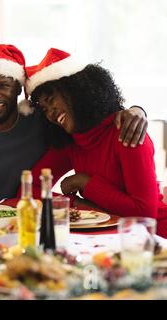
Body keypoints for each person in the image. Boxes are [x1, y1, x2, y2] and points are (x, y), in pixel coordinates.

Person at [0, 44, 148, 202]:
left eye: (3, 86)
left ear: (19, 90)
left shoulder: (45, 122)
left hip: (29, 223)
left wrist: (137, 110)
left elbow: (88, 117)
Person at [11, 48, 167, 238]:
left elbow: (144, 214)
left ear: (78, 91)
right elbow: (30, 188)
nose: (50, 112)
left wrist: (85, 182)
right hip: (107, 236)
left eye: (52, 100)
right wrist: (76, 204)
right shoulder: (73, 140)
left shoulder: (126, 131)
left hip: (153, 238)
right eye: (44, 109)